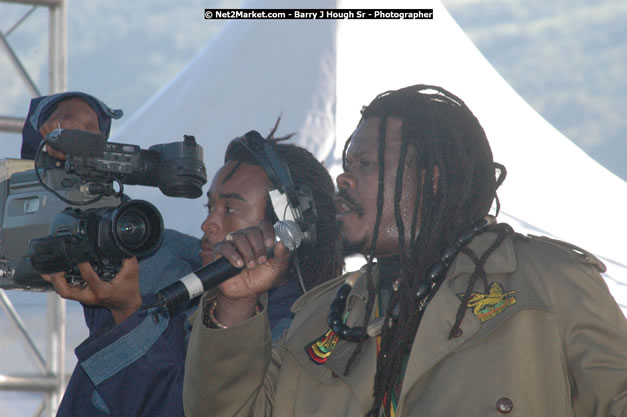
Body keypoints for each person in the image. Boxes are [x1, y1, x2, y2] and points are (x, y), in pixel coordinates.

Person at [183, 84, 627, 417]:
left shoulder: (547, 282)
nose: (343, 179)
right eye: (346, 164)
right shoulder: (324, 316)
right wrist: (236, 304)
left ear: (433, 180)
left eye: (366, 165)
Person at [21, 93, 344, 416]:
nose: (208, 223)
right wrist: (73, 117)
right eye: (210, 206)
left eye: (230, 208)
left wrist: (127, 314)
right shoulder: (179, 265)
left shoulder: (301, 337)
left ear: (289, 228)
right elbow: (63, 192)